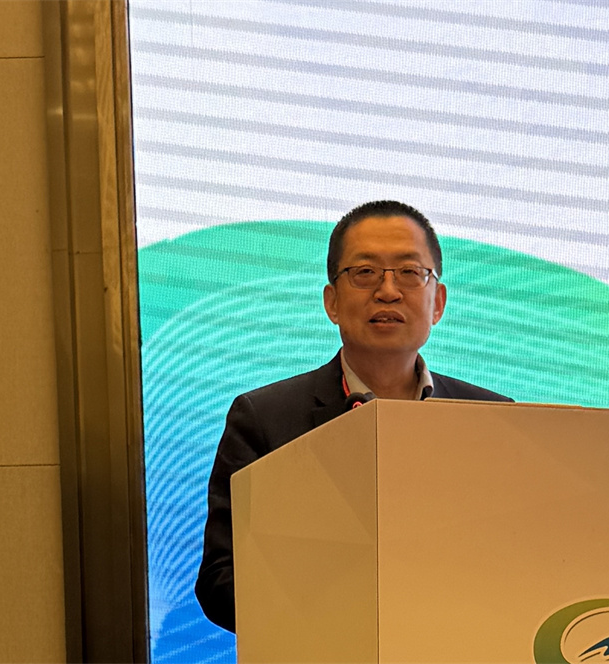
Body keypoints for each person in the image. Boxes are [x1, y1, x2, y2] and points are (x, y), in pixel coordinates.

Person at [195, 200, 512, 632]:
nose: (388, 291)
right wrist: (341, 609)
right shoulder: (264, 419)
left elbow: (519, 561)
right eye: (365, 272)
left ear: (437, 302)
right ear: (332, 302)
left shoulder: (495, 421)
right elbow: (220, 581)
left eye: (409, 272)